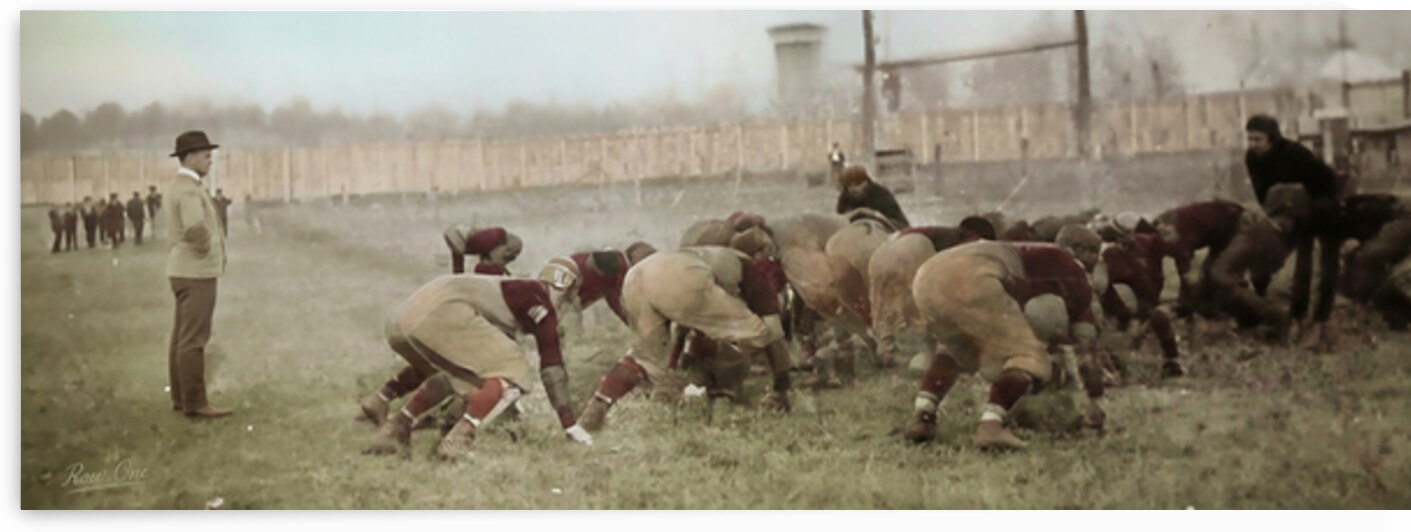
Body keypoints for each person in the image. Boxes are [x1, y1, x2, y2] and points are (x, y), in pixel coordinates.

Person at [361, 272, 593, 459]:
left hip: (401, 318)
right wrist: (569, 425)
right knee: (513, 368)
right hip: (443, 311)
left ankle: (396, 427)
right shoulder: (542, 302)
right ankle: (460, 438)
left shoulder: (510, 288)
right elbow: (552, 368)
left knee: (458, 372)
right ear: (567, 294)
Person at [903, 241, 1107, 450]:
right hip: (973, 277)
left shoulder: (1035, 252)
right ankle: (991, 426)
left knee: (955, 351)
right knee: (1029, 357)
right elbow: (1084, 346)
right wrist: (1094, 400)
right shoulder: (1076, 277)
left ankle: (923, 416)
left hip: (926, 277)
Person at [576, 243, 793, 432]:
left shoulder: (714, 258)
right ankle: (722, 393)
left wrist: (670, 367)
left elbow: (682, 326)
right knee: (758, 335)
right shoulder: (756, 275)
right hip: (683, 277)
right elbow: (773, 336)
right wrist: (781, 387)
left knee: (645, 357)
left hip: (636, 277)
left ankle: (599, 404)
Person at [1244, 115, 1342, 341]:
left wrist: (1306, 206)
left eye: (1257, 139)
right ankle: (1295, 317)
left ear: (1272, 138)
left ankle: (1321, 320)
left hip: (1324, 206)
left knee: (1325, 265)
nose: (1252, 144)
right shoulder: (1252, 158)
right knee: (1299, 264)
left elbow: (1328, 181)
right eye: (1249, 139)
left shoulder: (1295, 153)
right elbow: (1264, 195)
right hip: (1293, 211)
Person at [164, 130, 232, 419]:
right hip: (196, 273)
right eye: (206, 156)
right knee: (193, 339)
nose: (210, 161)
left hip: (182, 270)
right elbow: (194, 228)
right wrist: (205, 251)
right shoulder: (189, 189)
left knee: (181, 337)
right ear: (189, 157)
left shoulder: (178, 186)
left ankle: (182, 398)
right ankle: (195, 403)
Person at [867, 216, 997, 366]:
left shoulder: (936, 232)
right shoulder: (964, 240)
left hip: (882, 255)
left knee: (885, 306)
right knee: (928, 308)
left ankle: (885, 354)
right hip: (911, 254)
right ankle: (929, 358)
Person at [1339, 193, 1411, 330]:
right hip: (1386, 218)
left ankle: (1398, 313)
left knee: (1367, 258)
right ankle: (1395, 315)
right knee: (1361, 265)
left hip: (1397, 214)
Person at [835, 165, 909, 229]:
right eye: (849, 186)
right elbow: (842, 215)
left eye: (857, 184)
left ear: (865, 182)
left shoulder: (881, 194)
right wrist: (859, 211)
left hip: (888, 225)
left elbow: (894, 220)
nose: (853, 189)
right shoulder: (846, 195)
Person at [442, 224, 522, 275]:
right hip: (502, 246)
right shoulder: (461, 246)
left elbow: (458, 271)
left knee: (487, 268)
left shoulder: (483, 238)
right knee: (486, 269)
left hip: (506, 244)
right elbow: (458, 271)